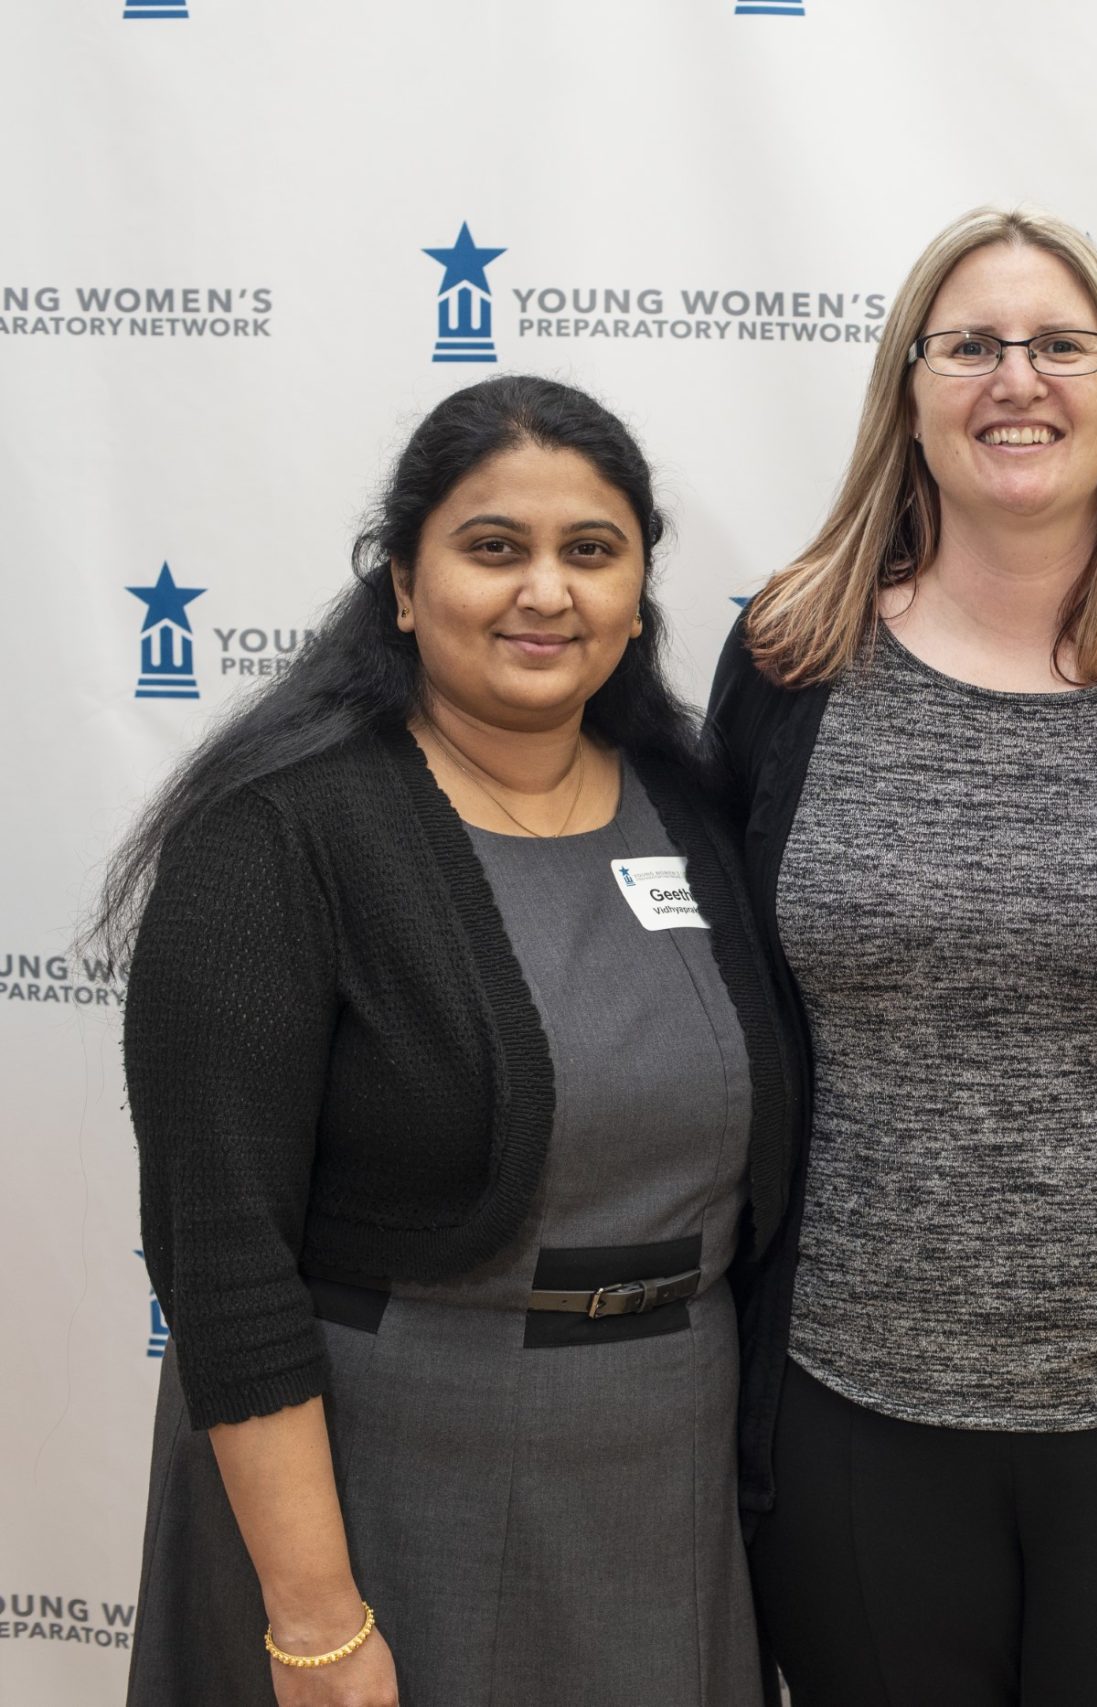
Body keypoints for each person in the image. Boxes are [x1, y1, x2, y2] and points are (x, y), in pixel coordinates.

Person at [108, 375, 797, 1707]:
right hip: (390, 1474)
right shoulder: (276, 836)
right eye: (494, 548)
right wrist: (315, 1619)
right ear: (405, 587)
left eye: (590, 551)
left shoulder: (692, 807)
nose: (546, 591)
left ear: (638, 594)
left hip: (668, 1467)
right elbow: (223, 1256)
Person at [707, 206, 1097, 1706]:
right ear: (909, 390)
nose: (1016, 381)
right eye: (970, 345)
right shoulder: (794, 656)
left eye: (1060, 345)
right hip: (849, 1404)